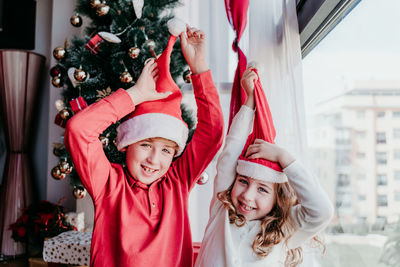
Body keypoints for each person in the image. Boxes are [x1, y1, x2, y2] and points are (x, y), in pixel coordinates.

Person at [64, 19, 224, 267]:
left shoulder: (178, 181)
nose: (153, 159)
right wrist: (135, 95)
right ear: (127, 144)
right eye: (146, 145)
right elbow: (78, 129)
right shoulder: (108, 184)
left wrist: (199, 68)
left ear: (175, 154)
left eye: (166, 150)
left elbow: (212, 131)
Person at [194, 67, 334, 267]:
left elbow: (322, 211)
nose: (247, 196)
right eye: (243, 181)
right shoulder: (221, 211)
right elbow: (229, 155)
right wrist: (250, 100)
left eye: (262, 189)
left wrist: (283, 157)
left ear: (277, 197)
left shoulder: (285, 228)